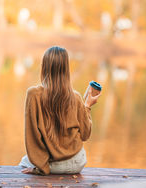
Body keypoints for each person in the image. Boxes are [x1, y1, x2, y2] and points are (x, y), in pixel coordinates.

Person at [19, 46, 101, 175]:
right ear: (66, 70)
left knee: (23, 162)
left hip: (51, 166)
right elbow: (85, 134)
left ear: (44, 67)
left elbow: (32, 135)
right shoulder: (76, 97)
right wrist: (87, 106)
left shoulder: (33, 94)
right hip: (76, 163)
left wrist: (41, 167)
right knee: (26, 161)